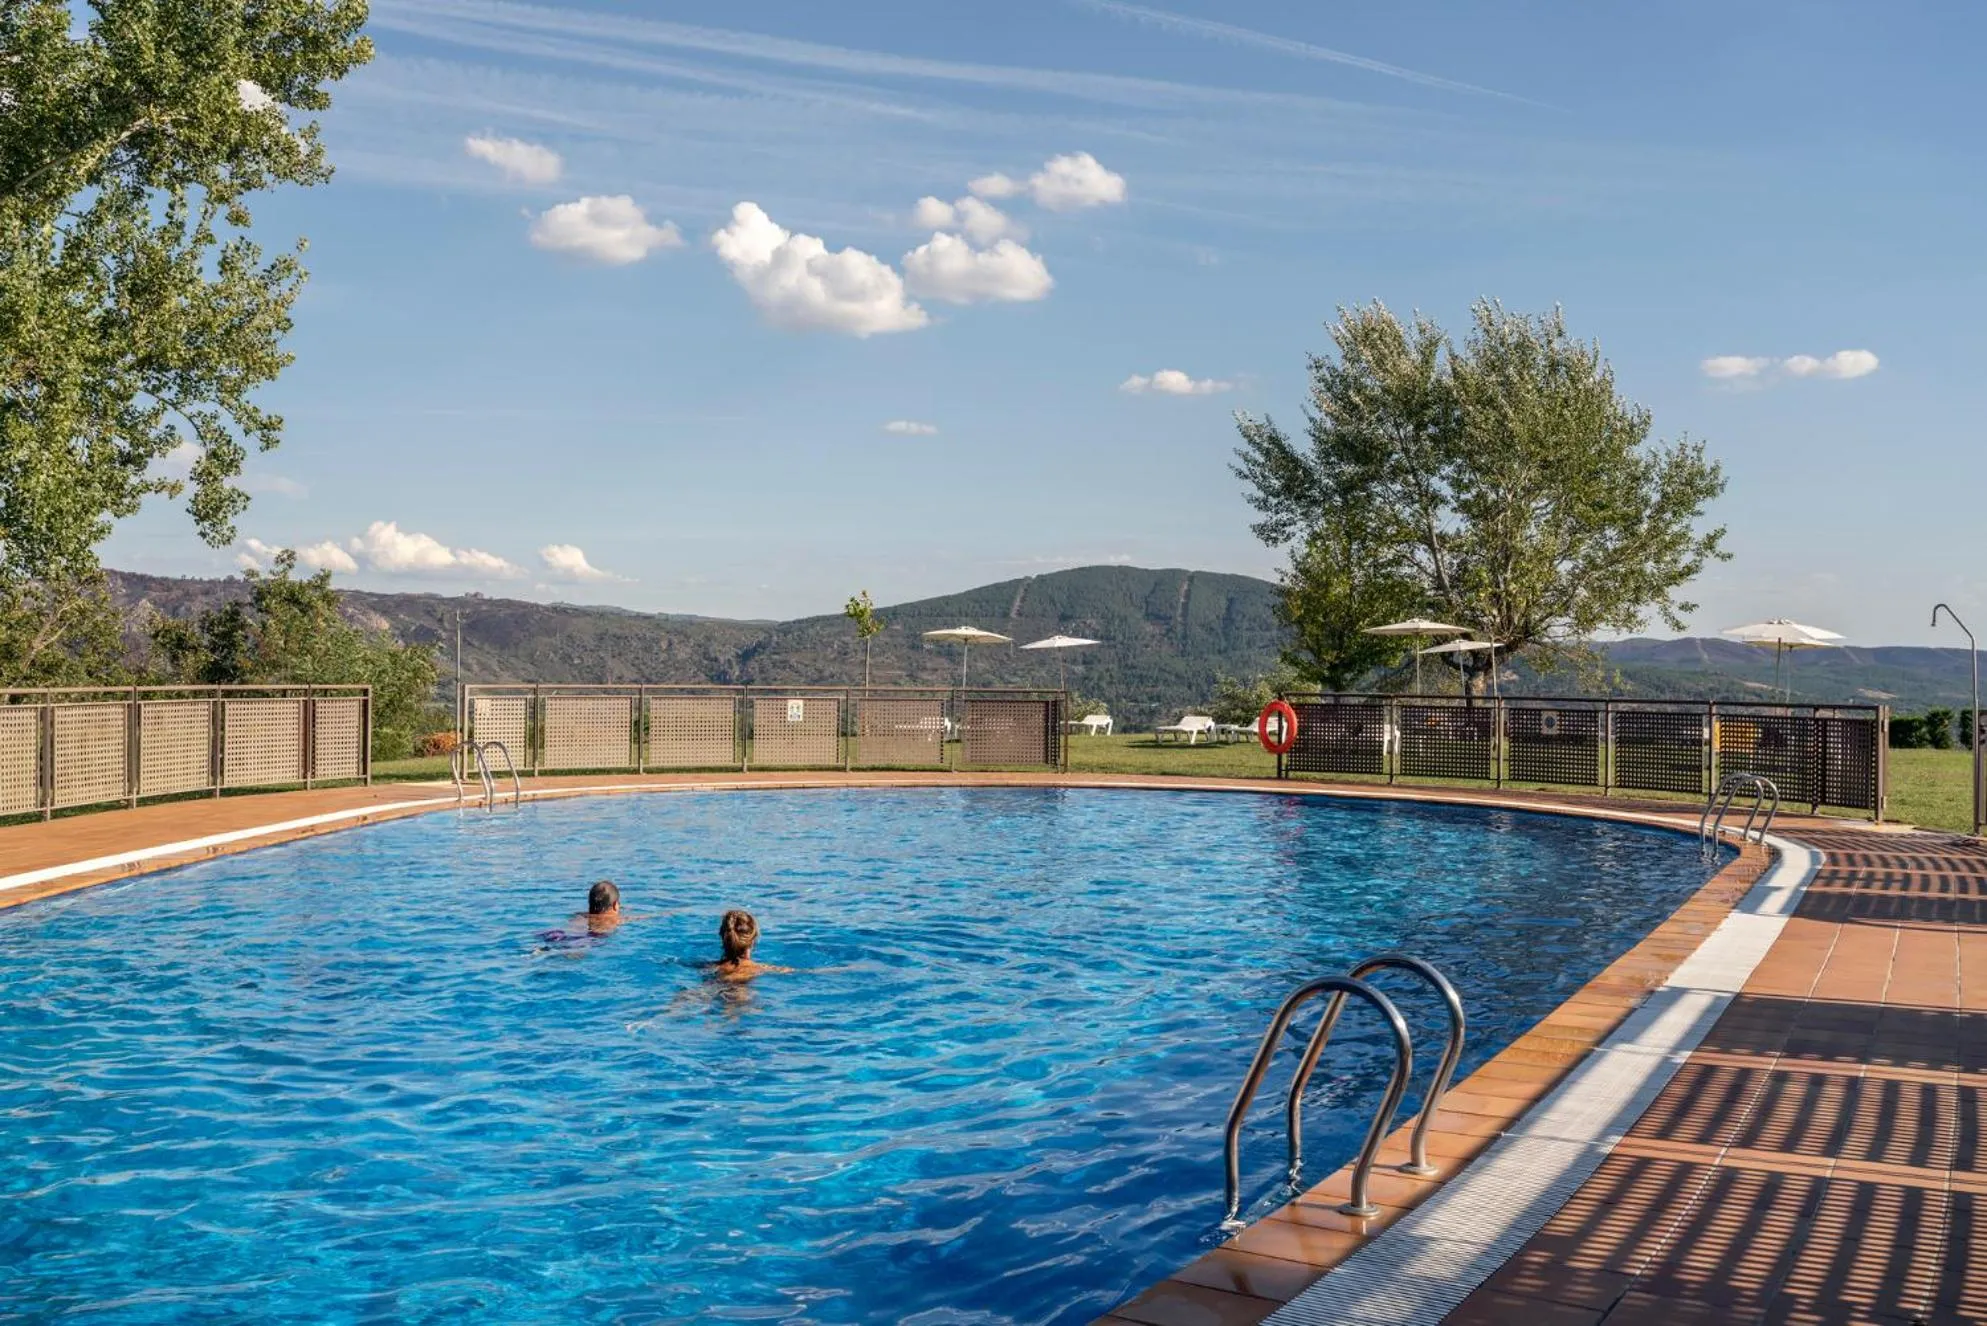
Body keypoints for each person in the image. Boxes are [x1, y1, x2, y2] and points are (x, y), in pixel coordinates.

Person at [709, 908, 790, 982]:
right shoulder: (761, 968)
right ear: (753, 940)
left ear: (722, 937)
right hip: (741, 993)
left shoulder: (710, 967)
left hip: (717, 984)